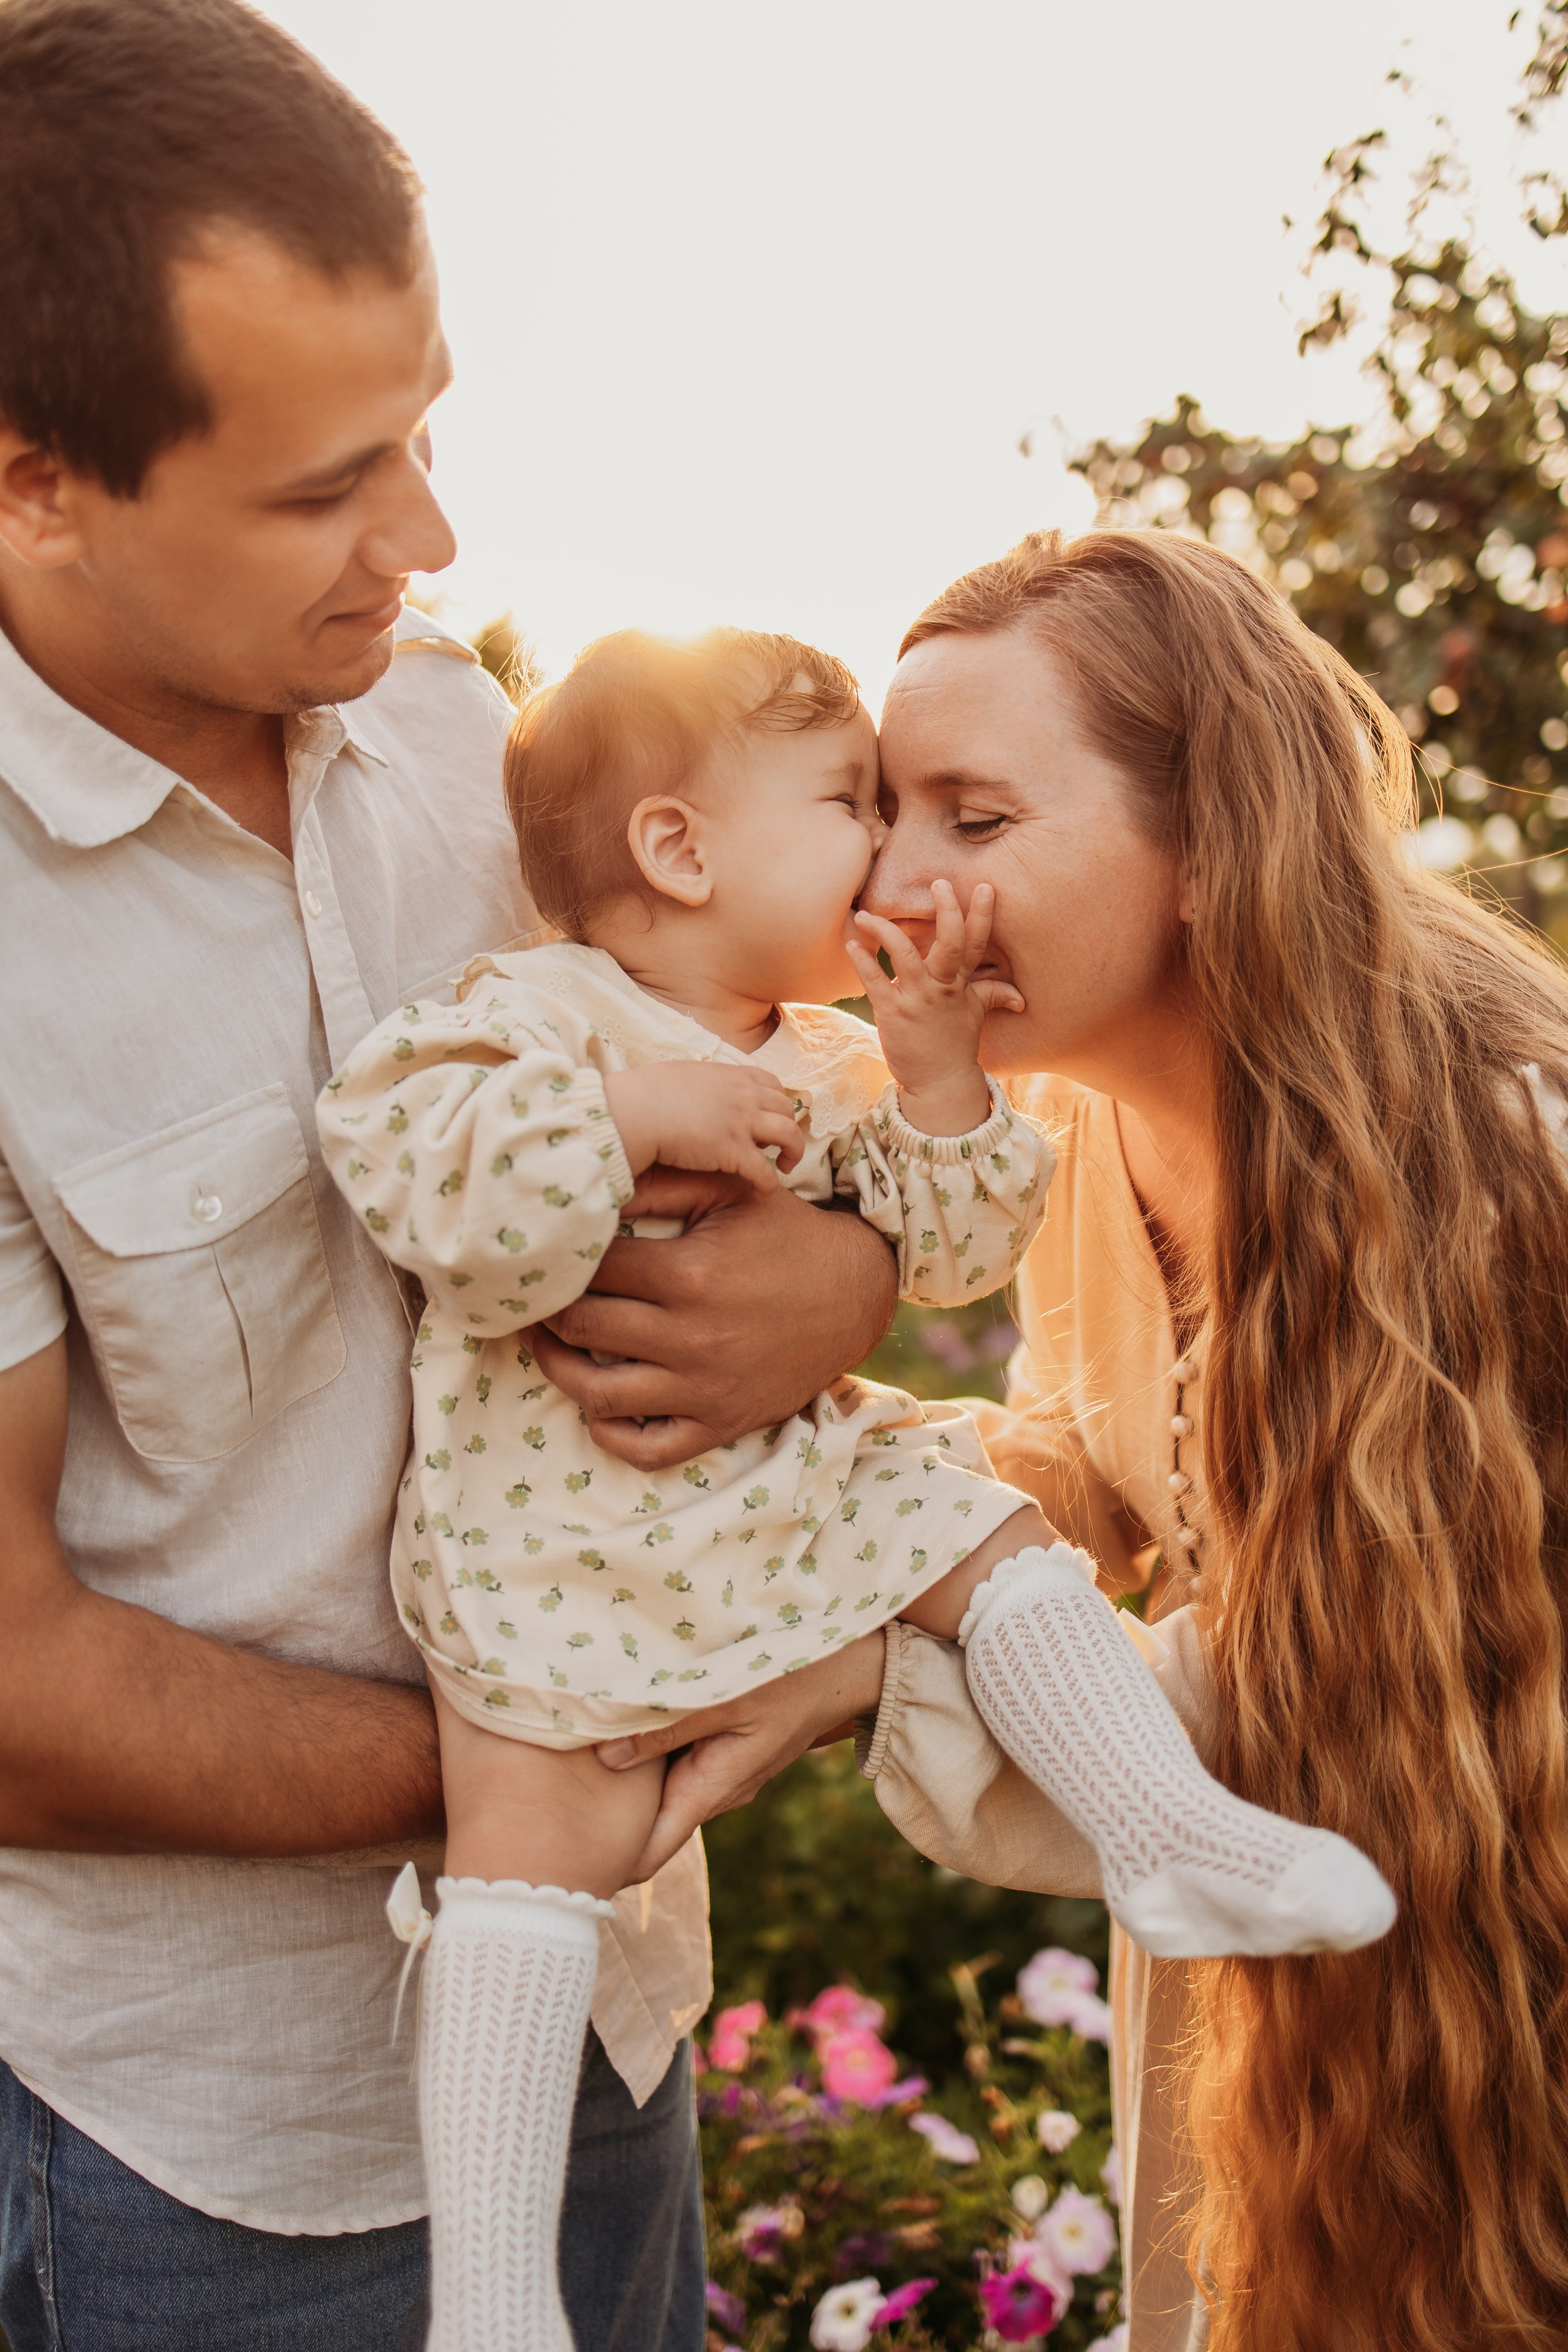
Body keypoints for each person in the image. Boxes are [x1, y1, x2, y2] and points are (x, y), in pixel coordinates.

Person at [0, 6, 898, 2348]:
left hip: (605, 2014)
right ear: (32, 477)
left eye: (429, 428)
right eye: (327, 487)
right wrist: (565, 1755)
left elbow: (693, 1128)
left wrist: (843, 1278)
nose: (432, 538)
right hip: (204, 2151)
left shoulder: (447, 732)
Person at [325, 620, 1391, 2346]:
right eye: (858, 804)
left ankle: (1170, 1831)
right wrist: (630, 1116)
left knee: (989, 1528)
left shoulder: (832, 1058)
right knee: (522, 1870)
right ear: (680, 848)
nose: (892, 859)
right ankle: (495, 2301)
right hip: (552, 1536)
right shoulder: (531, 1014)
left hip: (789, 1491)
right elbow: (428, 1190)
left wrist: (941, 1084)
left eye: (942, 814)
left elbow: (960, 1253)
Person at [601, 530, 1568, 2351]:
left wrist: (862, 1672)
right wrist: (825, 1497)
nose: (897, 878)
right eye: (889, 811)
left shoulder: (1517, 1163)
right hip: (1303, 2043)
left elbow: (1394, 1676)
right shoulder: (1064, 1133)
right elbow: (1099, 1459)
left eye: (977, 817)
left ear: (1208, 847)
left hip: (1504, 1998)